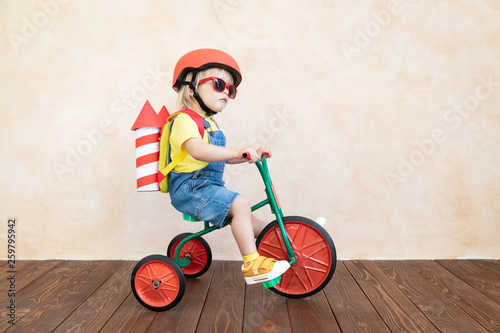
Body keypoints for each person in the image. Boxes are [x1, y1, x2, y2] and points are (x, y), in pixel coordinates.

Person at [167, 48, 290, 284]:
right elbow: (198, 150)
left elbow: (221, 156)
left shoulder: (209, 123)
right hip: (190, 190)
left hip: (206, 187)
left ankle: (285, 239)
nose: (226, 93)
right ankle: (252, 264)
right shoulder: (183, 120)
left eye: (230, 90)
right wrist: (235, 151)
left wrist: (246, 154)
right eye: (218, 84)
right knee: (240, 204)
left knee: (251, 221)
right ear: (190, 86)